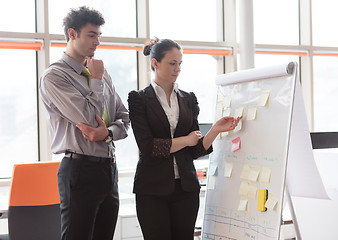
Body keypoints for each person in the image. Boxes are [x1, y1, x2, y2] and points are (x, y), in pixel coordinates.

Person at [127, 38, 241, 240]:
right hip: (152, 189)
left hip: (186, 189)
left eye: (180, 63)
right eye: (172, 63)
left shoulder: (188, 99)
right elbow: (148, 147)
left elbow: (195, 150)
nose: (177, 68)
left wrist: (215, 130)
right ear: (155, 63)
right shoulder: (139, 99)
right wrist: (185, 141)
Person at [39, 6, 129, 240]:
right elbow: (88, 118)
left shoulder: (100, 71)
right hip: (79, 170)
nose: (97, 41)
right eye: (91, 35)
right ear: (72, 33)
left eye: (99, 35)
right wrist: (96, 80)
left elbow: (124, 118)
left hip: (109, 168)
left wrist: (107, 134)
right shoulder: (55, 76)